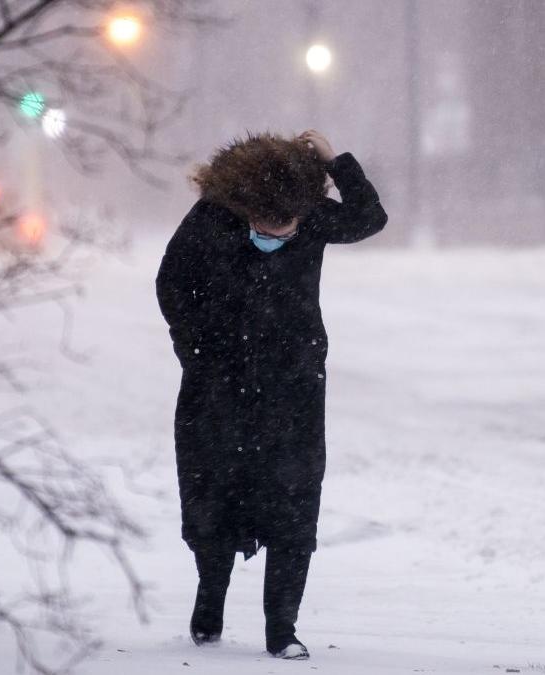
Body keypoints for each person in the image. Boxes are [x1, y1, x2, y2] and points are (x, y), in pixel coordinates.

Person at [155, 129, 387, 660]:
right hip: (217, 388)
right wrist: (197, 352)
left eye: (288, 227)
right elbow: (171, 284)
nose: (279, 235)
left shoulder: (312, 217)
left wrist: (336, 162)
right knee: (212, 497)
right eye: (266, 227)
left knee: (294, 502)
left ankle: (282, 628)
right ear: (246, 209)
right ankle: (209, 600)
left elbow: (369, 218)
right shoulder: (213, 219)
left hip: (294, 387)